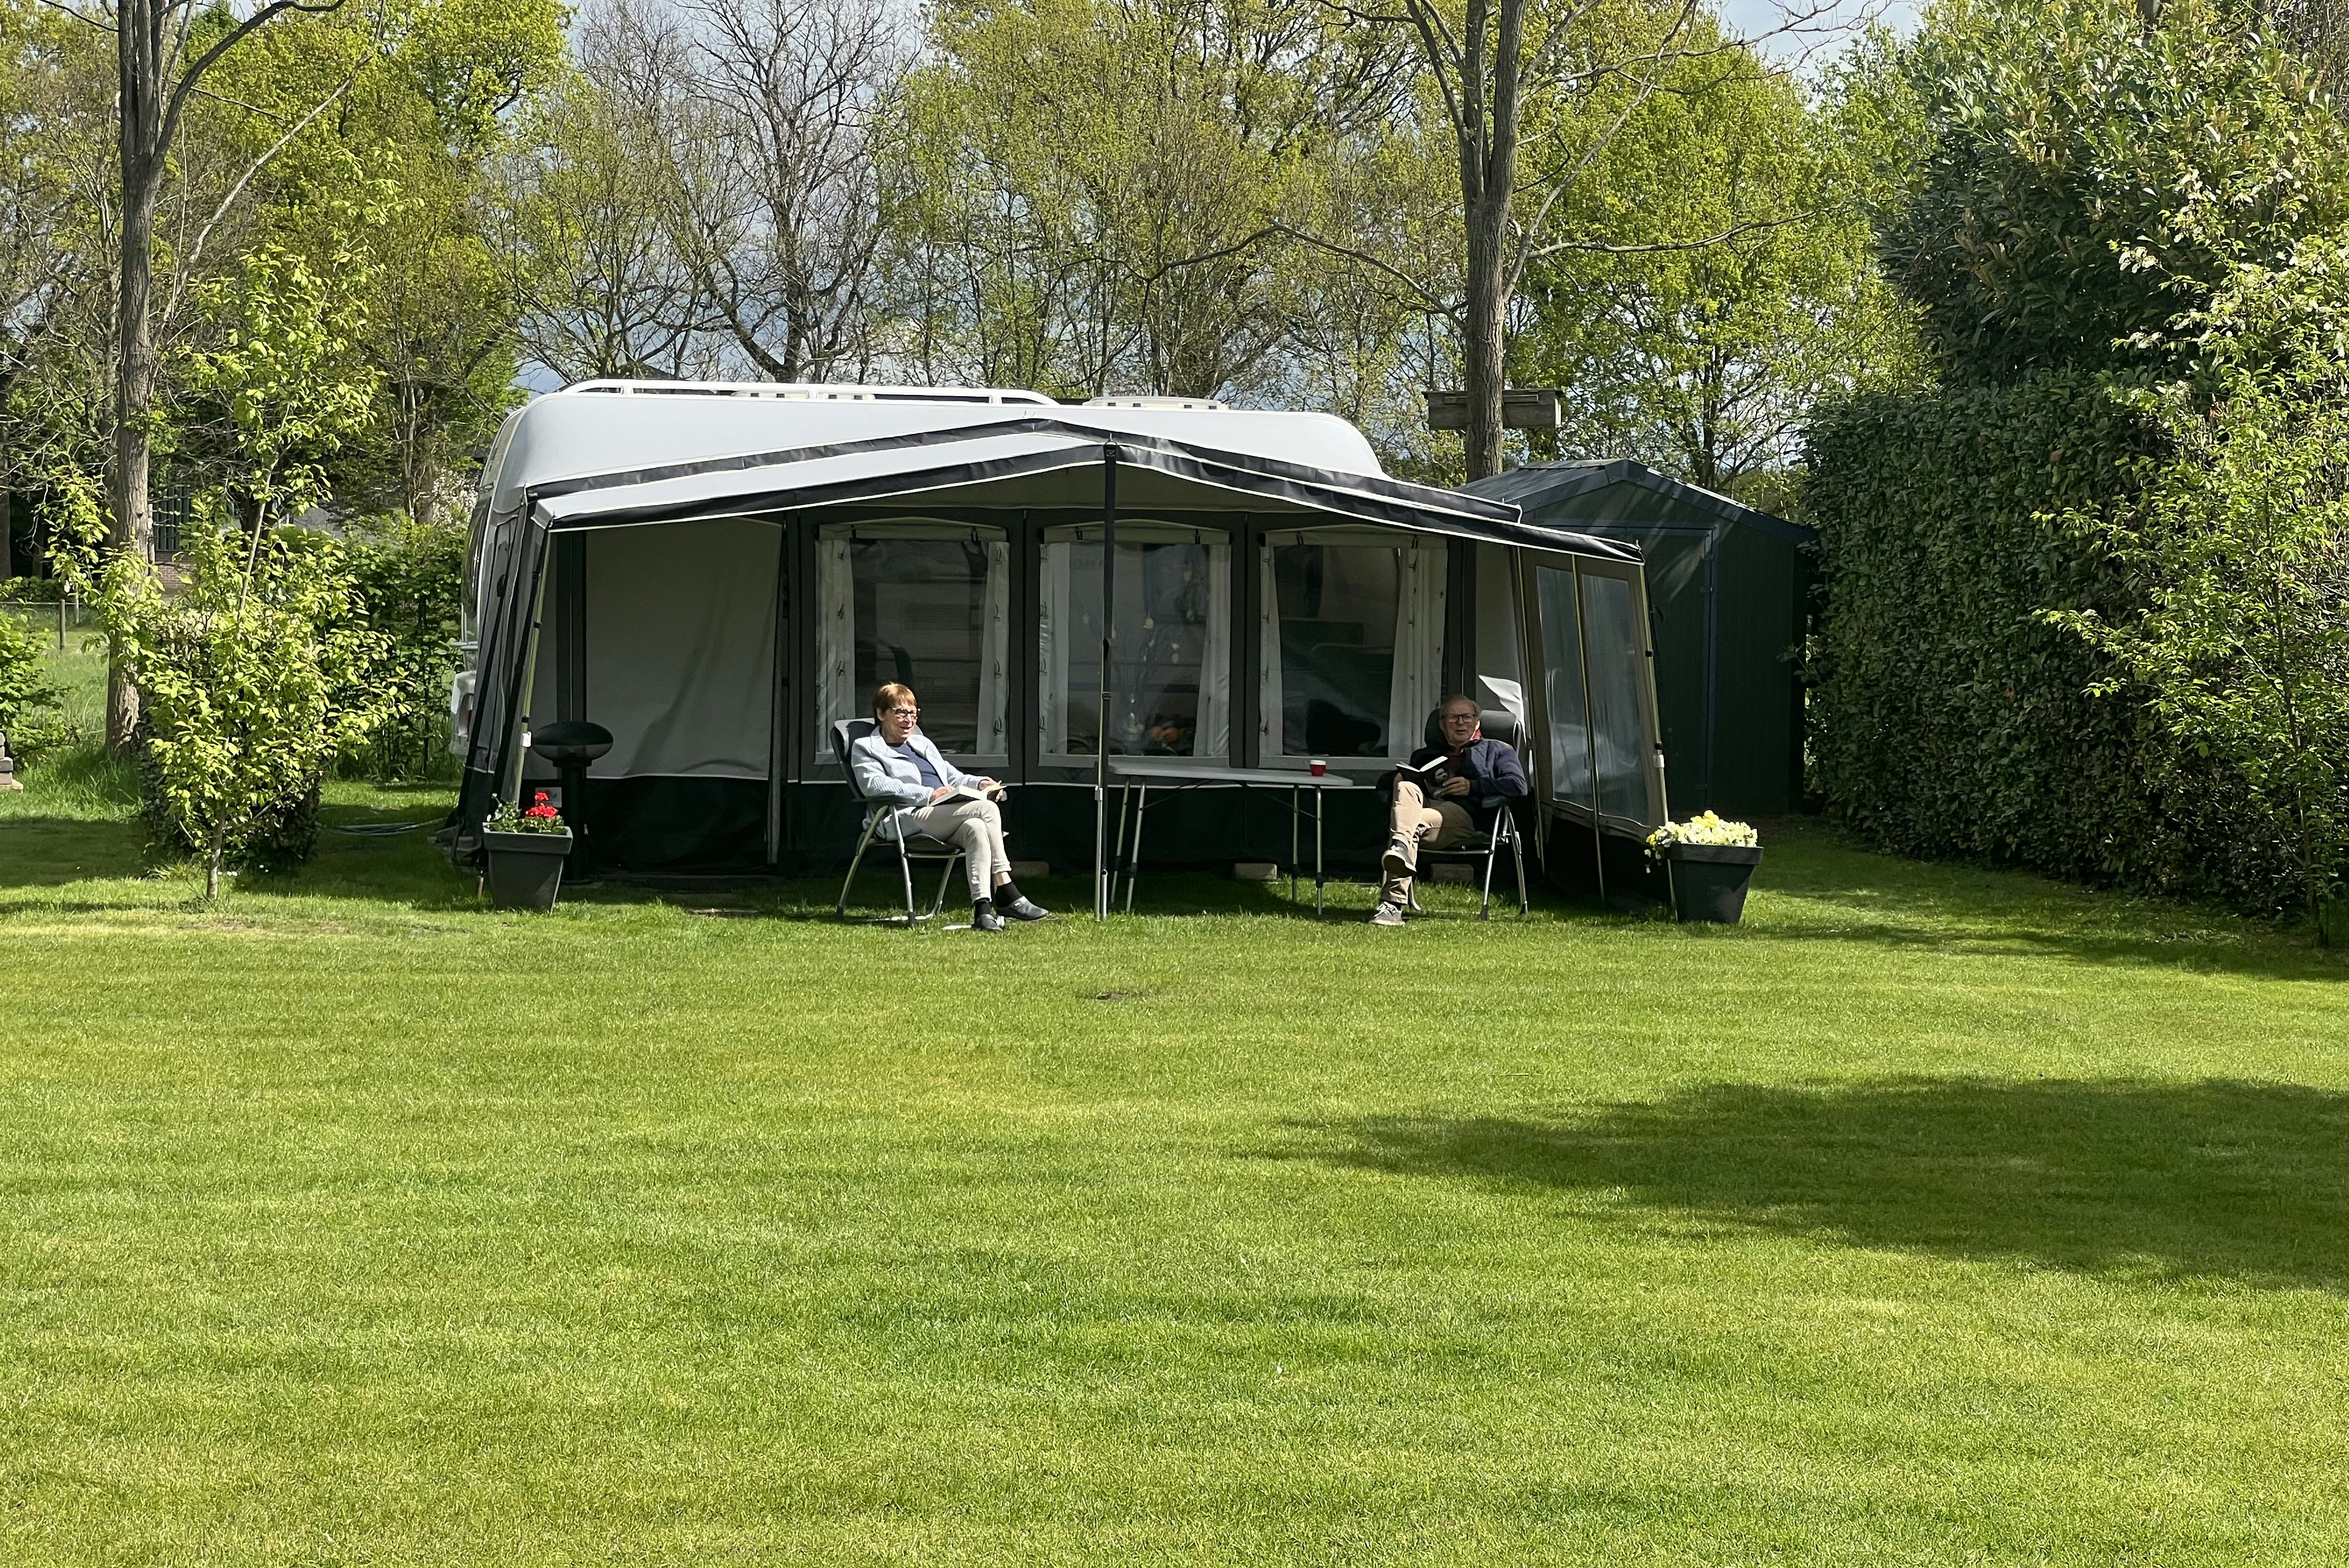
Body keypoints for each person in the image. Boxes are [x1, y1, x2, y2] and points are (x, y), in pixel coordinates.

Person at [849, 683, 1049, 931]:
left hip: (942, 814)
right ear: (881, 713)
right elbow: (874, 786)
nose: (908, 720)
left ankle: (983, 910)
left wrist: (980, 782)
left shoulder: (922, 744)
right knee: (985, 810)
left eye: (913, 714)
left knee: (976, 827)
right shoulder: (866, 748)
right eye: (900, 712)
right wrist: (928, 794)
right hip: (904, 817)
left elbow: (951, 776)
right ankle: (1006, 889)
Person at [1370, 694, 1529, 926]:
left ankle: (1392, 904)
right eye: (1453, 718)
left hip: (1465, 816)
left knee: (1409, 825)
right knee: (1405, 786)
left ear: (1477, 722)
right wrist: (1400, 778)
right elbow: (1385, 785)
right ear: (1442, 725)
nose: (1460, 723)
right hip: (1421, 808)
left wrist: (1472, 786)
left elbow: (1518, 785)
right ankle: (1402, 849)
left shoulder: (1497, 750)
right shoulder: (1425, 755)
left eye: (1466, 717)